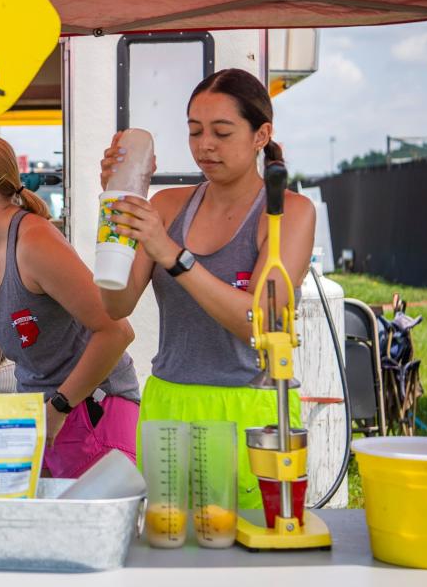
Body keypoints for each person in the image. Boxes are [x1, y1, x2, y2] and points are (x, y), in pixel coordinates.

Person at [98, 68, 316, 508]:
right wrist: (114, 211)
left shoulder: (288, 212)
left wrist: (173, 256)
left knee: (251, 558)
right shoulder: (167, 205)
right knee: (169, 553)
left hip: (250, 409)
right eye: (194, 131)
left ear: (261, 134)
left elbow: (259, 323)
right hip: (169, 401)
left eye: (221, 131)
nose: (205, 145)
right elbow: (114, 304)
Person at [0, 134, 141, 478]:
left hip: (94, 407)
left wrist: (59, 406)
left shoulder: (34, 242)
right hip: (40, 412)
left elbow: (117, 331)